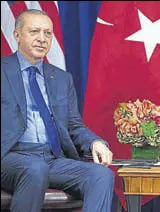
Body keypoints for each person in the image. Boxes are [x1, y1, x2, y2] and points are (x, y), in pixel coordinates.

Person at [1, 9, 114, 212]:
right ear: (17, 35)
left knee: (101, 175)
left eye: (48, 33)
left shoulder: (61, 78)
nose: (42, 39)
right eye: (34, 31)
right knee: (35, 169)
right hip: (9, 157)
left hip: (52, 159)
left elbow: (73, 125)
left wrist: (95, 142)